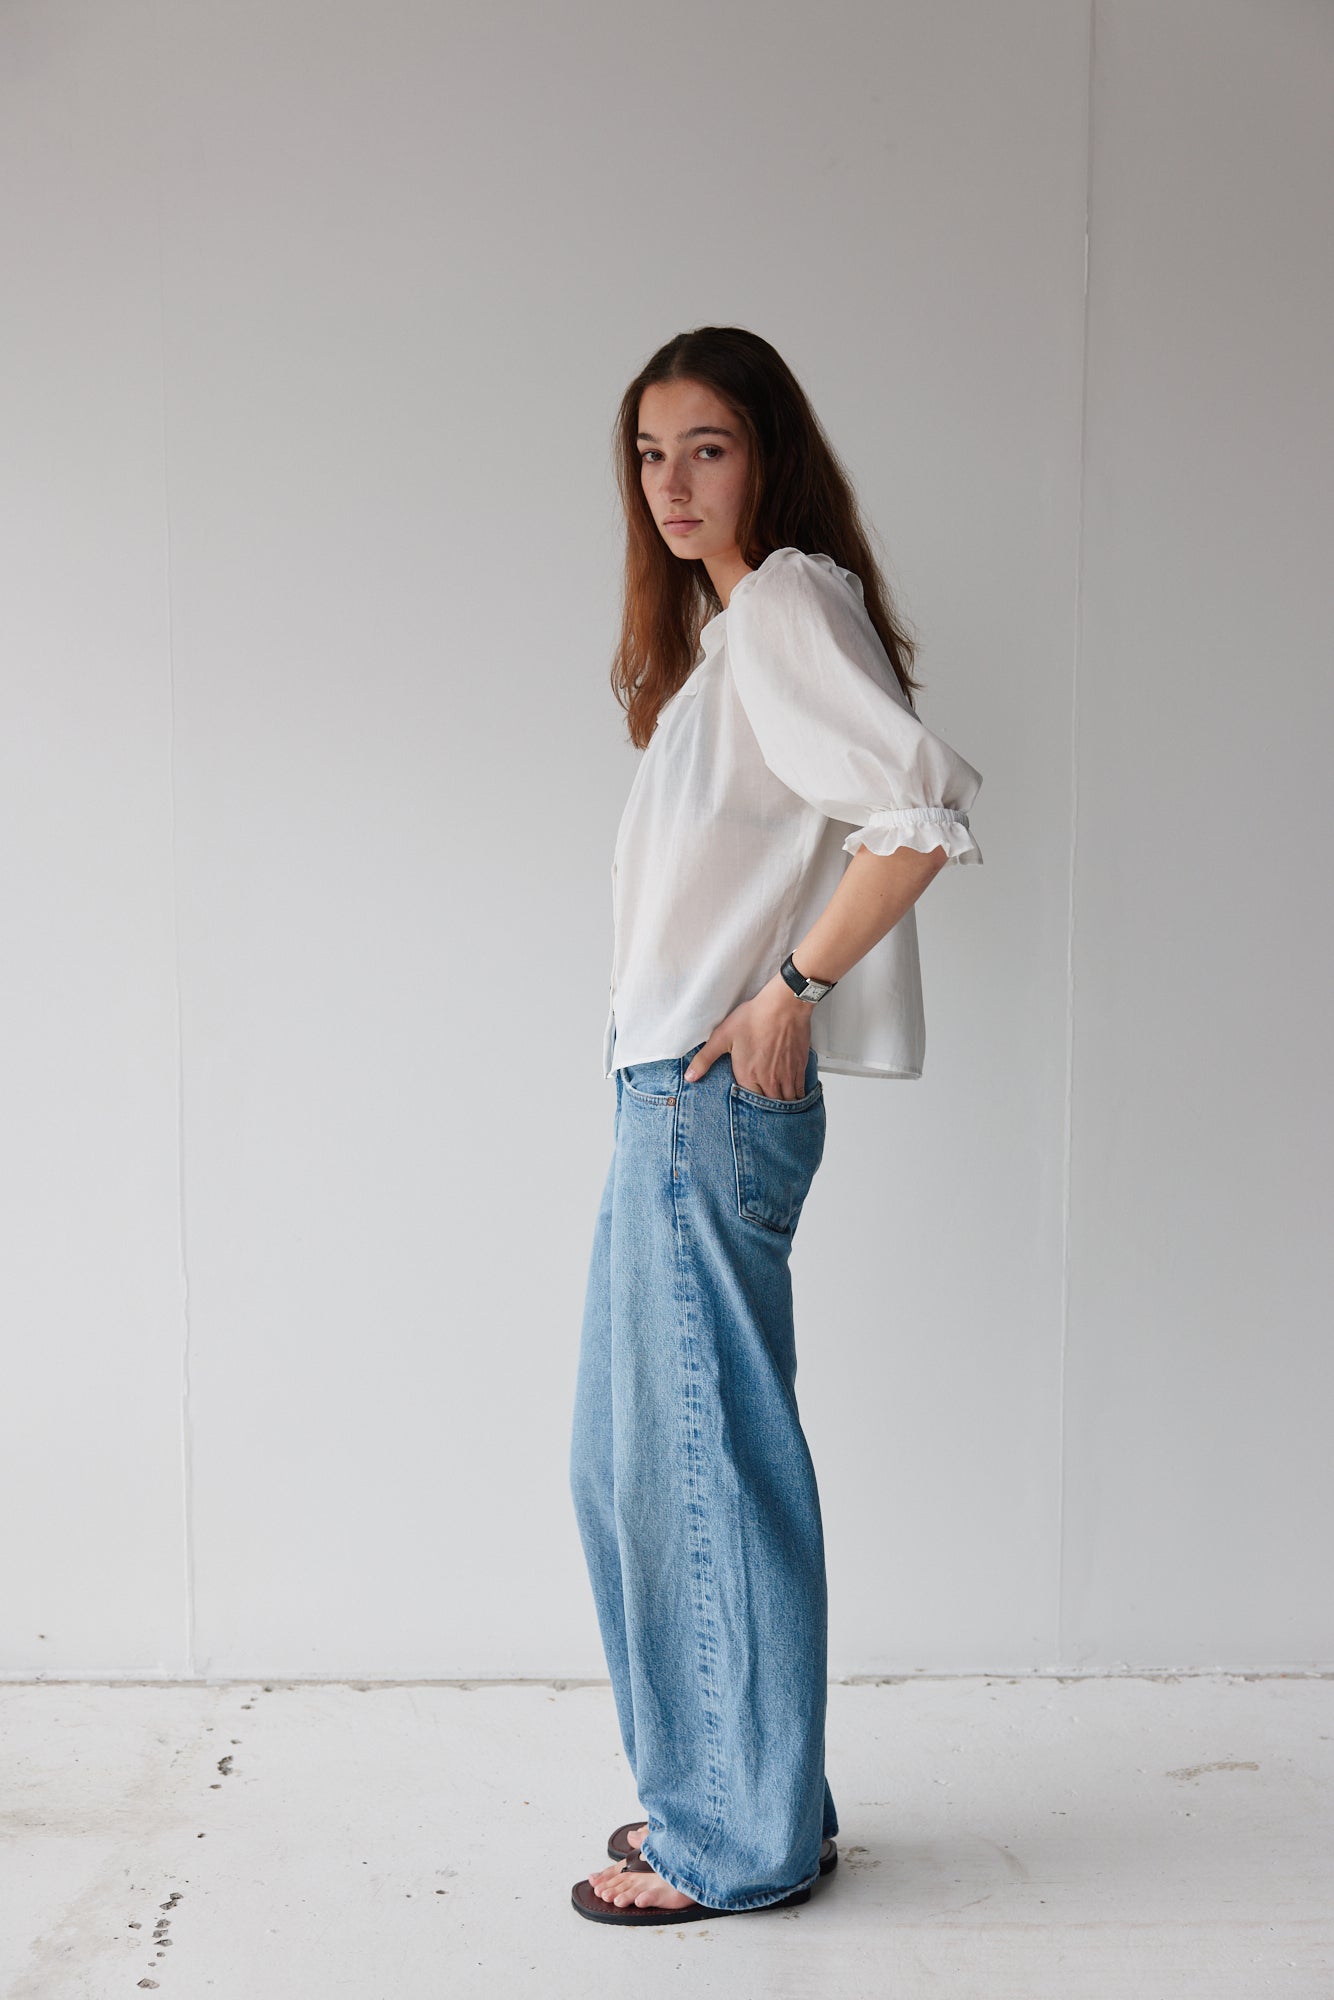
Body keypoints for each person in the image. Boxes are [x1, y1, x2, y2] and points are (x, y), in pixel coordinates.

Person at [568, 326, 984, 1926]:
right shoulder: (735, 638)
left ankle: (733, 1842)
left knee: (695, 1467)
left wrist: (790, 988)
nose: (672, 484)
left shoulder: (791, 601)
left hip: (705, 1102)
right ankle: (747, 1801)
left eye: (708, 448)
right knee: (640, 1466)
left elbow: (918, 814)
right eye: (649, 454)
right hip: (663, 1098)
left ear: (769, 456)